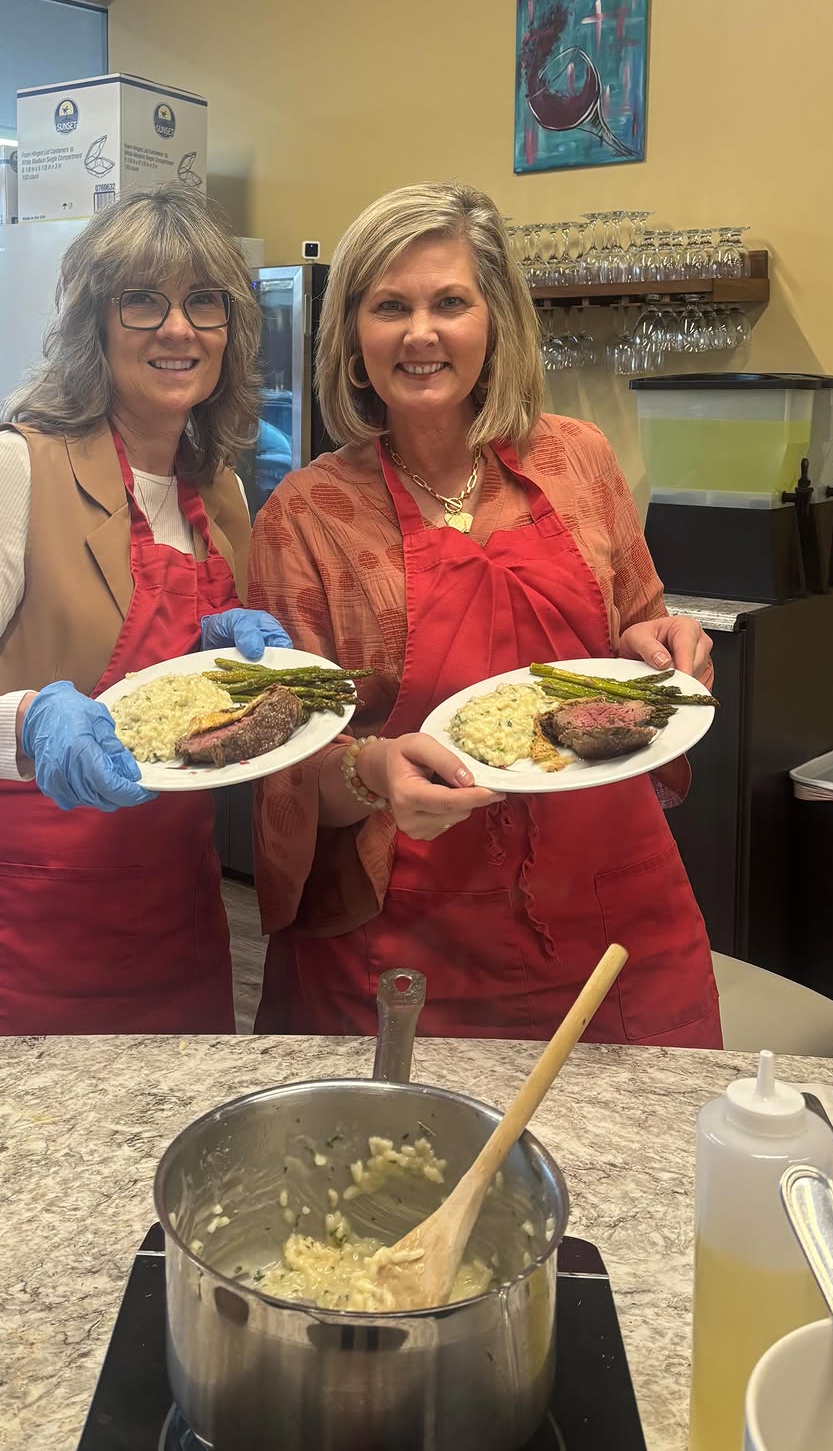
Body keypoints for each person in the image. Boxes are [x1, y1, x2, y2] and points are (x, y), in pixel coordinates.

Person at [249, 183, 721, 1048]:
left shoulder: (578, 459)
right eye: (390, 306)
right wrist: (373, 771)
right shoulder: (305, 515)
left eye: (450, 303)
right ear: (352, 340)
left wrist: (663, 648)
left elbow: (641, 627)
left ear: (495, 322)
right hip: (408, 936)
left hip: (617, 917)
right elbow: (291, 769)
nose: (420, 333)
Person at [0, 190, 290, 1037]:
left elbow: (180, 712)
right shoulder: (12, 470)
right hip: (21, 929)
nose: (177, 329)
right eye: (142, 301)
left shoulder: (219, 492)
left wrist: (225, 666)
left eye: (202, 302)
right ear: (94, 324)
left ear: (231, 330)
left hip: (173, 913)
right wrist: (27, 722)